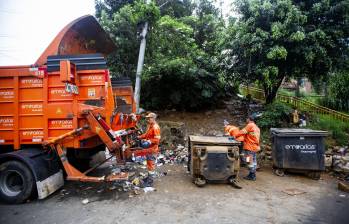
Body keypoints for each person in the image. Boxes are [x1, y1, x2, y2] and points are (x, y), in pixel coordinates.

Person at [235, 115, 260, 181]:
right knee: (253, 160)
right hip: (254, 146)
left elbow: (242, 132)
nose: (246, 120)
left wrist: (235, 135)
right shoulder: (256, 127)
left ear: (249, 119)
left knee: (249, 160)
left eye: (247, 119)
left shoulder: (250, 125)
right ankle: (252, 174)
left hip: (249, 146)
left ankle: (252, 175)